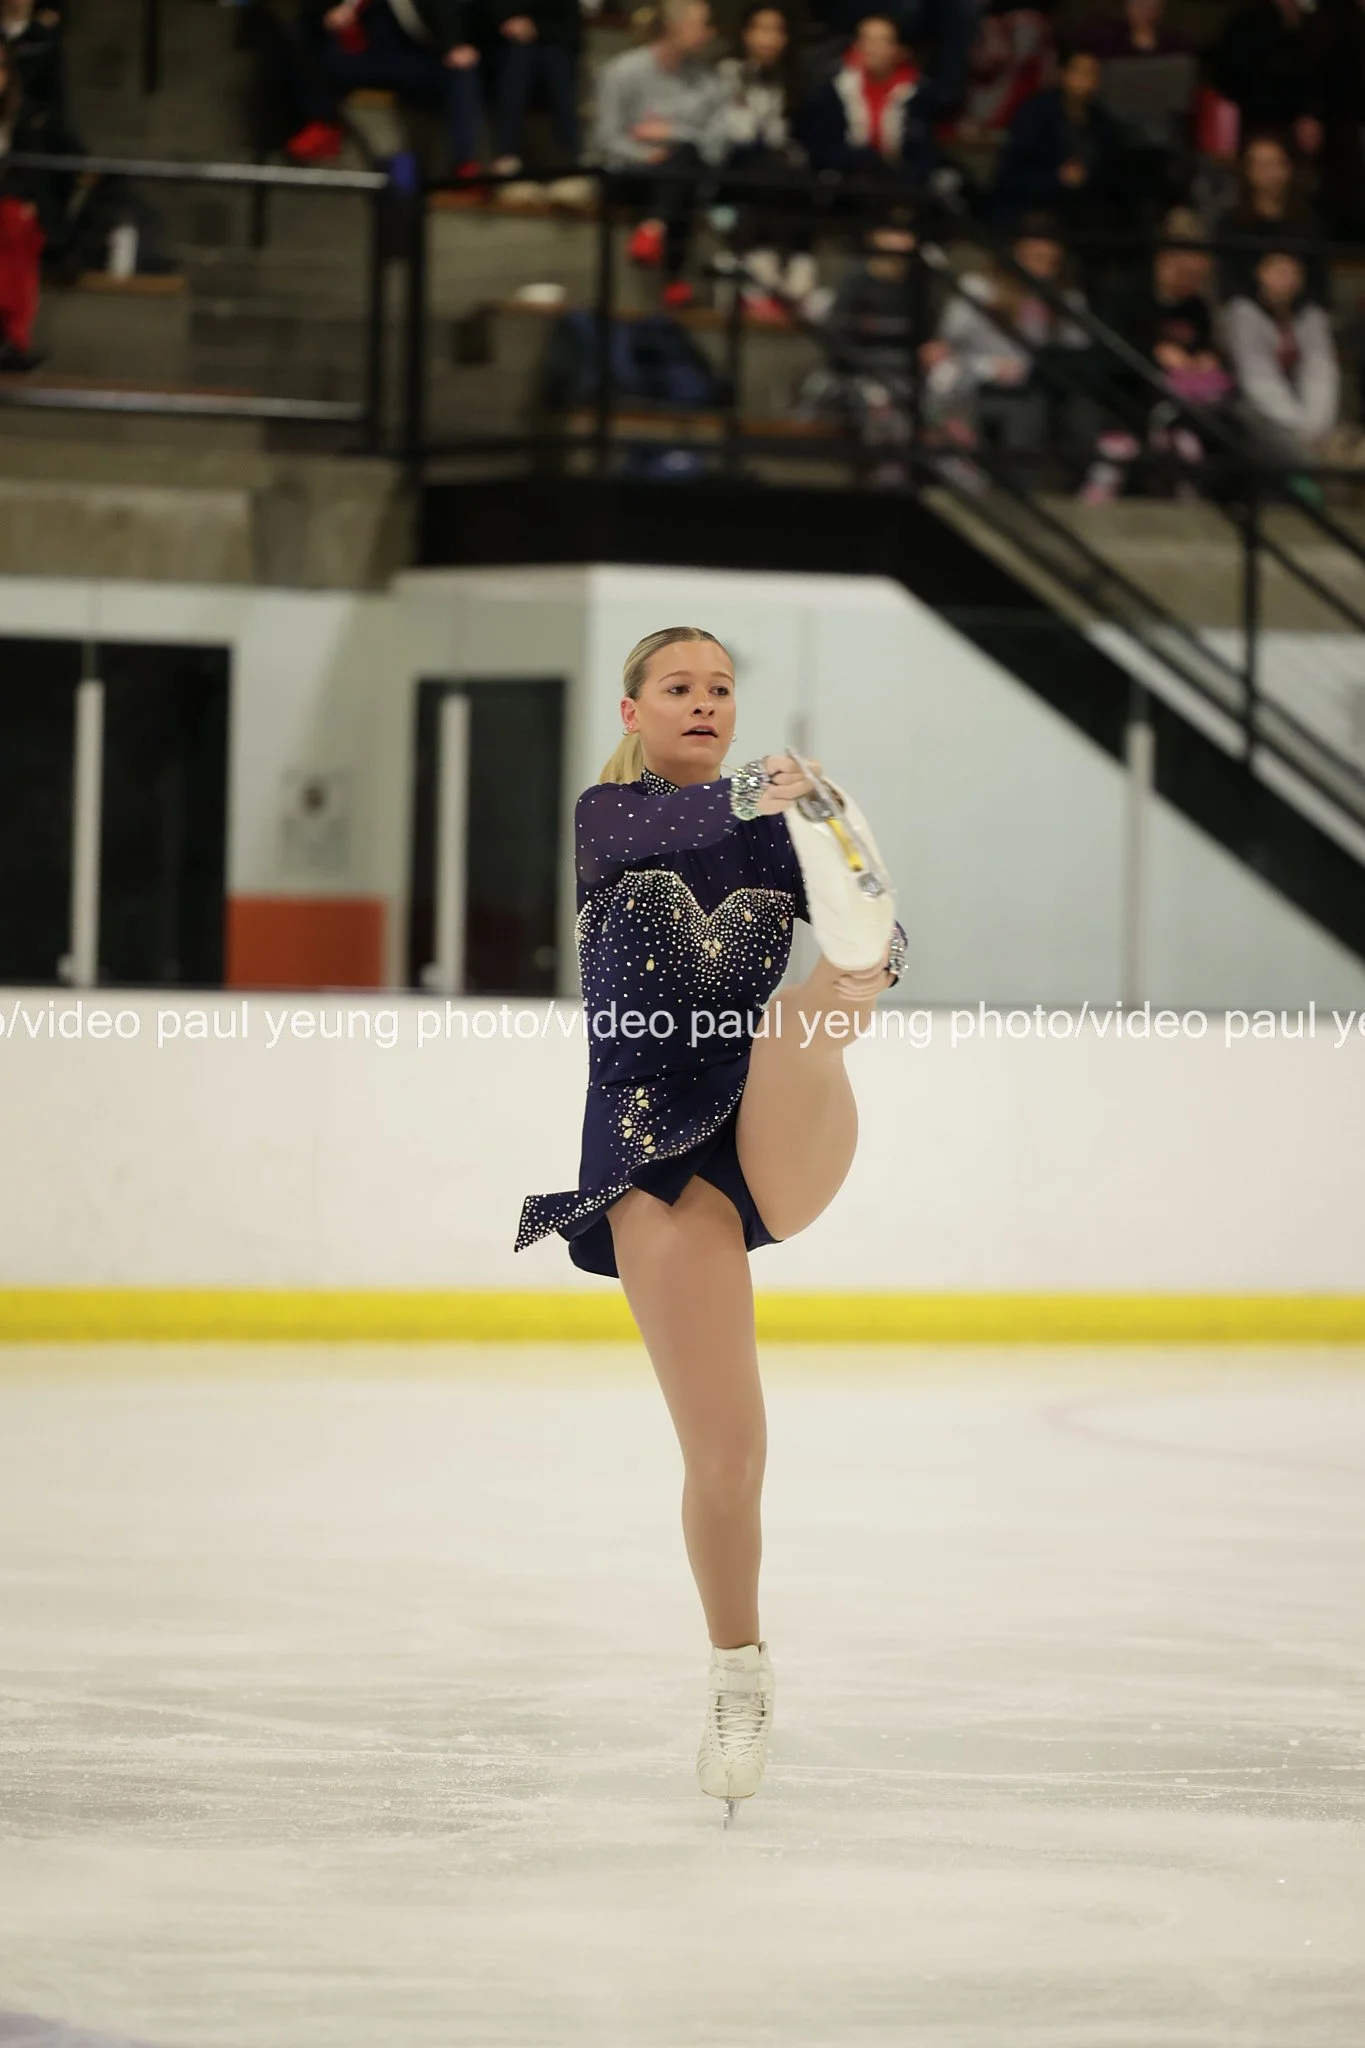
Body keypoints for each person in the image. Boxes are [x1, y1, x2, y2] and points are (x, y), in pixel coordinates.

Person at [514, 626, 907, 1819]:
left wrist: (868, 945)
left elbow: (872, 919)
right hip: (653, 1153)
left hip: (779, 1118)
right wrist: (767, 796)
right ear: (633, 710)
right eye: (679, 687)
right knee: (728, 1459)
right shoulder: (609, 817)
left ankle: (829, 1015)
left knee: (808, 1013)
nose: (705, 702)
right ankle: (739, 1671)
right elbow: (687, 823)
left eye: (721, 688)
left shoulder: (779, 831)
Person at [923, 212, 1094, 482]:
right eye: (1035, 258)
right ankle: (958, 467)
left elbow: (1079, 349)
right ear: (1015, 254)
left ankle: (1027, 484)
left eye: (1051, 261)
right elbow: (946, 343)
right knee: (943, 376)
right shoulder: (979, 288)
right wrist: (988, 366)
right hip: (976, 375)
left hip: (1035, 383)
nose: (1043, 268)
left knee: (1056, 408)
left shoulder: (1066, 298)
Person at [1082, 206, 1233, 502]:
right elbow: (1108, 355)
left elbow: (1204, 351)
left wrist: (1206, 359)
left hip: (1184, 400)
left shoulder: (1196, 308)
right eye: (1188, 272)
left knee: (1216, 423)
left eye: (1199, 274)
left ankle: (1191, 493)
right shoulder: (1126, 293)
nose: (1194, 281)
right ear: (1166, 260)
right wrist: (1156, 355)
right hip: (1130, 391)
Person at [593, 0, 728, 307]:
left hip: (680, 171)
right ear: (673, 27)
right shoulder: (622, 71)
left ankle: (653, 230)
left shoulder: (707, 80)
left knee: (685, 159)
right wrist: (645, 155)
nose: (709, 33)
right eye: (701, 24)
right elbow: (605, 138)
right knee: (681, 170)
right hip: (629, 170)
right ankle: (673, 277)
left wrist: (672, 132)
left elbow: (716, 143)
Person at [285, 0, 484, 177]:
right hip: (367, 60)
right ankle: (324, 122)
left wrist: (453, 45)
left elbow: (448, 15)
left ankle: (464, 165)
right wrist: (331, 17)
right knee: (312, 44)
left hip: (418, 58)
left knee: (460, 71)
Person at [1220, 248, 1362, 478]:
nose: (1288, 279)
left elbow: (1321, 372)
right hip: (1257, 414)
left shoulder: (1311, 315)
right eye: (1279, 271)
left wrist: (1315, 426)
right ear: (1260, 273)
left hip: (1315, 426)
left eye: (1294, 272)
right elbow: (1257, 379)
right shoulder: (1242, 313)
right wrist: (1299, 427)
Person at [711, 3, 815, 317]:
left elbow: (791, 138)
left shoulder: (794, 80)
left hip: (779, 175)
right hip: (727, 170)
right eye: (760, 29)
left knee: (794, 171)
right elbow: (734, 133)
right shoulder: (726, 73)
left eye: (776, 30)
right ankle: (761, 270)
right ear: (745, 34)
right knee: (764, 165)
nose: (767, 39)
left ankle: (797, 264)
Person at [991, 44, 1129, 228]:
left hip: (1082, 210)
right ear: (1063, 74)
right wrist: (1057, 178)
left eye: (1094, 74)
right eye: (1081, 72)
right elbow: (1010, 177)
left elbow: (1111, 172)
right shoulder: (1037, 114)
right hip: (1033, 206)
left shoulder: (1102, 121)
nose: (1088, 81)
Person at [797, 12, 942, 184]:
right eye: (866, 40)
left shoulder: (919, 93)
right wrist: (863, 160)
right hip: (845, 182)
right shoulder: (833, 90)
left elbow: (925, 153)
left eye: (881, 41)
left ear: (899, 50)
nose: (872, 49)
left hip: (902, 184)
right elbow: (820, 148)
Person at [1208, 131, 1328, 307]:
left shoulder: (1308, 221)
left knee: (1316, 317)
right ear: (1246, 170)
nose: (1266, 172)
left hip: (1299, 306)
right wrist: (1263, 287)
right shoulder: (1231, 221)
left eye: (1273, 163)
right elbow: (1227, 280)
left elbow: (1320, 283)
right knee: (1240, 312)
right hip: (1249, 305)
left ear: (1288, 168)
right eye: (1258, 164)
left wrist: (1293, 287)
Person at [489, 0, 591, 206]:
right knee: (519, 59)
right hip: (503, 47)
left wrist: (537, 28)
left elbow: (572, 28)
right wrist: (511, 23)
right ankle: (507, 161)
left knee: (556, 61)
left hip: (555, 45)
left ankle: (572, 166)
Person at [1204, 0, 1320, 157]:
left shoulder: (1309, 23)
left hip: (1287, 124)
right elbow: (1230, 77)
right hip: (1255, 123)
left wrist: (1308, 114)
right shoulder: (1248, 22)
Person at [1081, 0, 1191, 59]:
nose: (1144, 11)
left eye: (1150, 6)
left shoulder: (1175, 43)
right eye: (1138, 4)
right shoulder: (1107, 38)